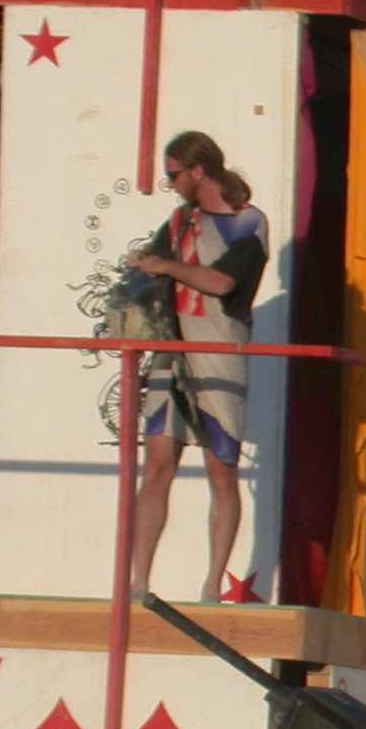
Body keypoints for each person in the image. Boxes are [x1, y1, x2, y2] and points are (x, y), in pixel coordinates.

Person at [126, 131, 270, 602]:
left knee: (221, 471)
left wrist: (165, 267)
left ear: (197, 170)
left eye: (173, 175)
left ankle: (211, 585)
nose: (170, 184)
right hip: (171, 350)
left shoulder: (248, 221)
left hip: (219, 349)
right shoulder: (177, 221)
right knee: (156, 467)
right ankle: (137, 583)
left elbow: (221, 282)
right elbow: (148, 268)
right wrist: (142, 264)